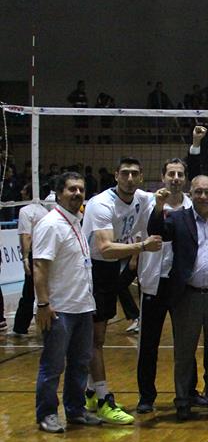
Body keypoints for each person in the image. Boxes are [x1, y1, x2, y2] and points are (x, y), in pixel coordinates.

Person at [147, 176, 208, 421]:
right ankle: (183, 401)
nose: (203, 197)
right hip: (187, 296)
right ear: (191, 193)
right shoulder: (178, 218)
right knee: (184, 354)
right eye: (198, 192)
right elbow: (156, 232)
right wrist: (158, 207)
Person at [82, 157, 163, 424]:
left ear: (141, 177)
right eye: (125, 173)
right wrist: (141, 247)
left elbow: (169, 196)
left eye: (134, 174)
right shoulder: (101, 204)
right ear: (116, 175)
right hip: (89, 269)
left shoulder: (142, 197)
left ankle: (90, 392)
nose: (129, 178)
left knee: (97, 339)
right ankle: (103, 398)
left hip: (109, 270)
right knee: (94, 340)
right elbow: (105, 248)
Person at [32, 173, 103, 432]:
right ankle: (47, 414)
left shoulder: (76, 222)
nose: (77, 194)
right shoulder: (51, 224)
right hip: (59, 310)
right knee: (53, 366)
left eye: (81, 189)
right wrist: (43, 304)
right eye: (72, 189)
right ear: (59, 193)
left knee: (80, 363)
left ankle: (76, 410)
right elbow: (40, 266)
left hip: (82, 307)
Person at [135, 158, 195, 414]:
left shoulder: (192, 205)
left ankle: (190, 391)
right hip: (153, 282)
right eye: (171, 174)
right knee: (149, 343)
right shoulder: (149, 203)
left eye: (180, 174)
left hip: (181, 283)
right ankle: (146, 396)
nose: (175, 178)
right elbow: (141, 233)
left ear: (185, 179)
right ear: (163, 177)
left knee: (187, 342)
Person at [12, 183, 51, 336]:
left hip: (35, 253)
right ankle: (48, 326)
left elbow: (26, 235)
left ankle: (20, 328)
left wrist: (24, 258)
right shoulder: (46, 211)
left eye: (24, 189)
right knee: (46, 290)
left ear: (29, 193)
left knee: (28, 292)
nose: (21, 191)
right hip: (48, 253)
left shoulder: (25, 211)